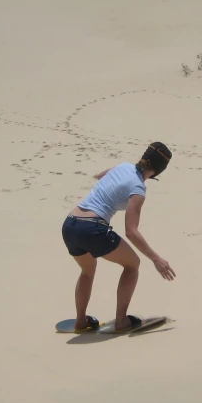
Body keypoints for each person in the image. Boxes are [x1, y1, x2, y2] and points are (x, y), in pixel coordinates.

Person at [61, 142, 176, 332]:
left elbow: (100, 176)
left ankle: (81, 321)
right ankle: (121, 321)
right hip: (92, 228)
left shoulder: (124, 166)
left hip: (70, 224)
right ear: (158, 171)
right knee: (132, 265)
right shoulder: (138, 189)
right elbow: (131, 231)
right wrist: (156, 259)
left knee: (87, 271)